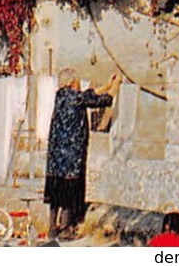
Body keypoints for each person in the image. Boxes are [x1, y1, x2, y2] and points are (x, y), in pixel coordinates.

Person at [45, 68, 122, 241]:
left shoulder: (61, 96)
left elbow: (89, 94)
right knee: (68, 195)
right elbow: (103, 101)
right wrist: (115, 87)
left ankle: (51, 229)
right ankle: (65, 229)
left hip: (55, 158)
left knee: (55, 195)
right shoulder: (76, 97)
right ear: (72, 83)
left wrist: (107, 85)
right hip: (71, 157)